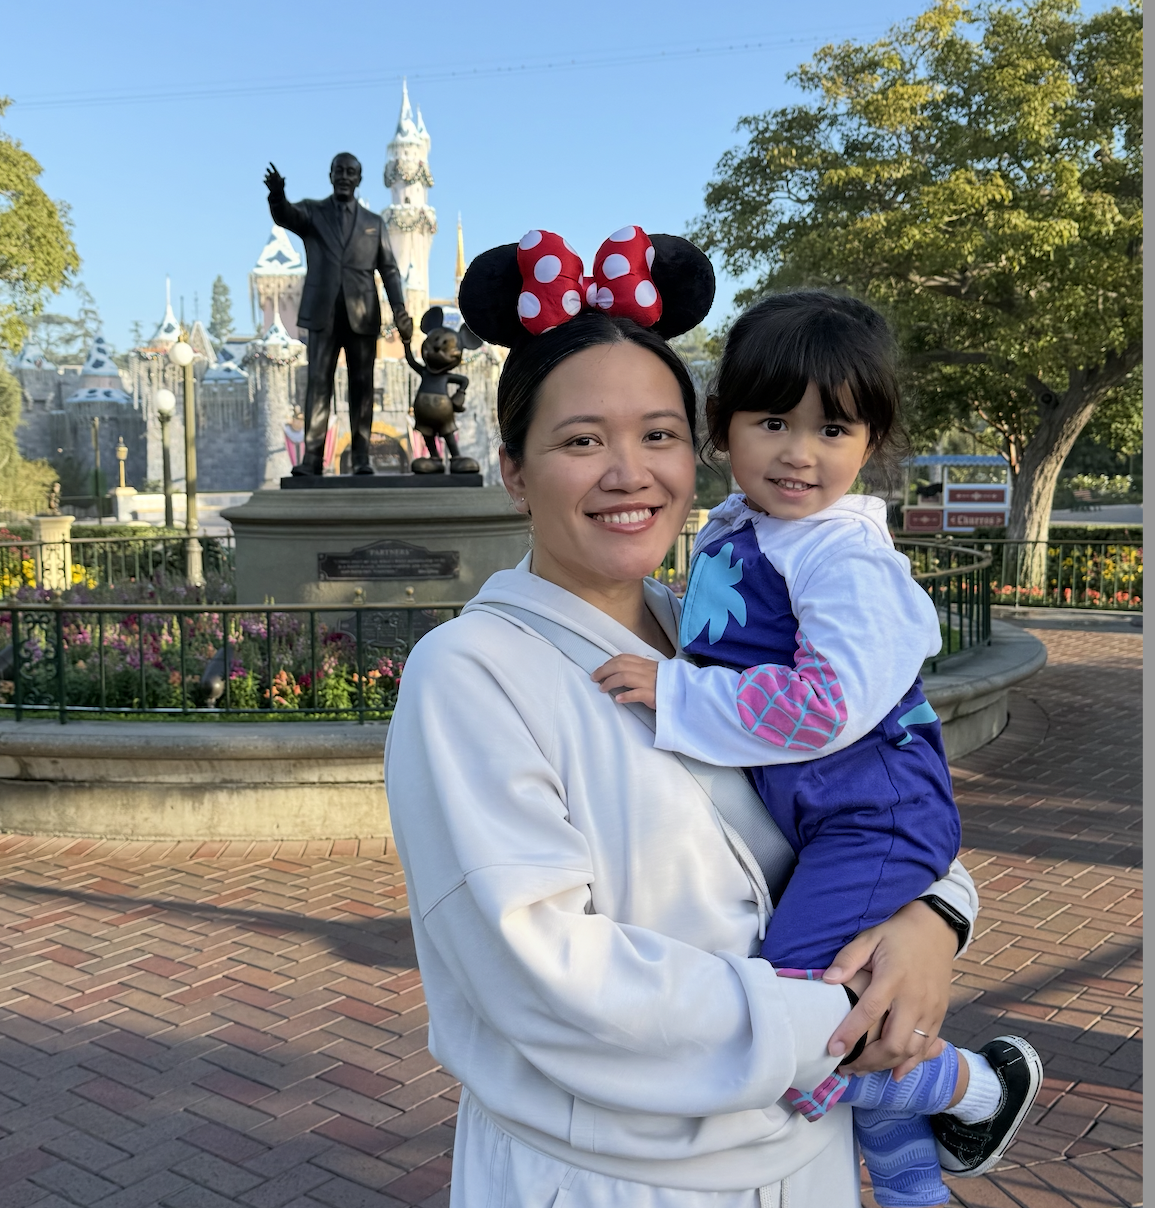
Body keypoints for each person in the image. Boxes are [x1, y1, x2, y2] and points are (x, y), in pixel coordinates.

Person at [384, 227, 980, 1206]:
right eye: (582, 440)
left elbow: (867, 792)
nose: (630, 472)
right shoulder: (470, 675)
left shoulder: (724, 638)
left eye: (658, 435)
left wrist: (932, 918)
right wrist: (830, 1017)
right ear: (515, 469)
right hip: (618, 1179)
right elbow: (544, 972)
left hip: (809, 1158)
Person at [590, 292, 1041, 1206]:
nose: (799, 452)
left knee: (800, 1016)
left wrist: (678, 692)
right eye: (773, 422)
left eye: (832, 428)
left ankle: (976, 1087)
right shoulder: (746, 527)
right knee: (853, 1000)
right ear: (723, 427)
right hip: (830, 816)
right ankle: (918, 1189)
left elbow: (827, 704)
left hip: (873, 814)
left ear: (868, 443)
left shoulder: (841, 557)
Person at [264, 152, 415, 475]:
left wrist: (399, 308)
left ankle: (361, 458)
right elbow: (286, 216)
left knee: (362, 387)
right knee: (318, 384)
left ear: (359, 179)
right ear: (330, 175)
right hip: (323, 314)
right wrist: (277, 196)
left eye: (351, 172)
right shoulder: (313, 212)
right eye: (339, 171)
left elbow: (389, 269)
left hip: (363, 314)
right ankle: (312, 459)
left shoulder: (374, 223)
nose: (345, 176)